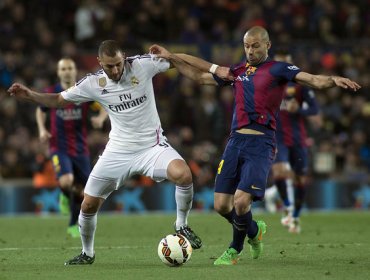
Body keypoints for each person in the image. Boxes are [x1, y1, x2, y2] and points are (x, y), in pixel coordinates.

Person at [149, 25, 361, 265]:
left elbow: (312, 80)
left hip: (261, 143)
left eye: (255, 46)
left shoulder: (278, 69)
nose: (250, 51)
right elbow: (200, 75)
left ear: (267, 45)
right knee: (221, 205)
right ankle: (253, 231)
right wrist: (172, 58)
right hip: (235, 141)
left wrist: (333, 80)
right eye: (246, 46)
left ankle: (234, 250)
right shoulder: (238, 71)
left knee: (241, 201)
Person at [8, 40, 202, 265]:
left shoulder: (141, 65)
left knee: (184, 174)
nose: (116, 70)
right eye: (110, 66)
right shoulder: (93, 83)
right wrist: (30, 95)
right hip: (118, 152)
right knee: (88, 205)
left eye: (119, 64)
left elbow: (176, 61)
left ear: (124, 58)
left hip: (152, 147)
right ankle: (87, 253)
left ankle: (181, 225)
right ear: (100, 63)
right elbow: (60, 100)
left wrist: (212, 70)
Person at [35, 58, 108, 238]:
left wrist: (100, 118)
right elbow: (40, 109)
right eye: (63, 69)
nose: (67, 71)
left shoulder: (83, 92)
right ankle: (65, 195)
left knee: (84, 191)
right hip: (58, 147)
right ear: (59, 72)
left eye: (70, 68)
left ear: (75, 71)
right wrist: (42, 129)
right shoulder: (51, 92)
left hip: (80, 149)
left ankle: (73, 224)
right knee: (67, 181)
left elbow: (105, 104)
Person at [270, 50, 320, 233]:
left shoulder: (299, 84)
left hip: (298, 138)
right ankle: (288, 206)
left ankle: (296, 215)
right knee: (279, 172)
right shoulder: (269, 83)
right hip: (277, 137)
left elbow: (314, 109)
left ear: (290, 62)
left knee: (300, 178)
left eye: (285, 61)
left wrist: (299, 109)